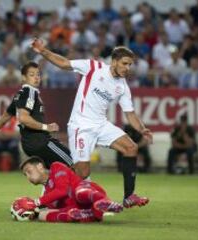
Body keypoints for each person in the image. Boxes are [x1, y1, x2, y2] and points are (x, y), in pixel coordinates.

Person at [31, 38, 151, 208]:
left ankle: (129, 196)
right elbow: (65, 63)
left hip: (101, 124)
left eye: (130, 65)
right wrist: (43, 51)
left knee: (131, 148)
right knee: (82, 172)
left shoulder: (122, 86)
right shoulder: (93, 67)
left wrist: (142, 129)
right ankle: (49, 190)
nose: (127, 68)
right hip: (81, 125)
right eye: (125, 63)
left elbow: (129, 113)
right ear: (114, 61)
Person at [0, 62, 73, 168]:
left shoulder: (20, 95)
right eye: (31, 75)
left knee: (53, 172)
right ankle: (84, 184)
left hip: (29, 144)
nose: (36, 77)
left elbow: (5, 117)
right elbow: (24, 118)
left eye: (38, 74)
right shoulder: (30, 92)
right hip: (40, 141)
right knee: (73, 163)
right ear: (24, 78)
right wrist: (46, 127)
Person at [16, 156, 123, 223]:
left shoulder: (56, 167)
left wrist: (36, 202)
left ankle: (104, 202)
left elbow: (62, 191)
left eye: (29, 171)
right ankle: (89, 214)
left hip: (90, 194)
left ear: (40, 166)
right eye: (25, 175)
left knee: (79, 192)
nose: (28, 177)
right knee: (43, 215)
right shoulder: (47, 194)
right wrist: (32, 212)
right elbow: (58, 206)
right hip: (81, 208)